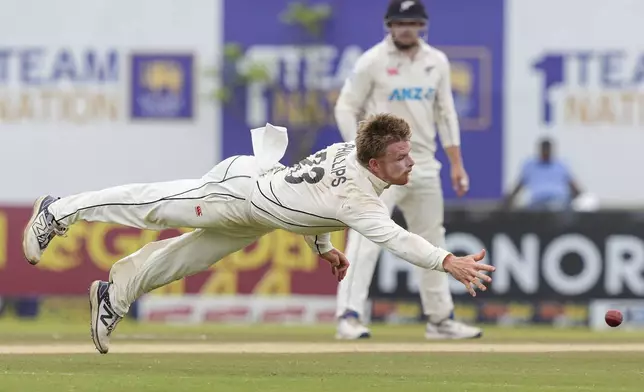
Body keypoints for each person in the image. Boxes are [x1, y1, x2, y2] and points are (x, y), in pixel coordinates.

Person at [22, 113, 494, 355]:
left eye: (409, 155)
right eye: (401, 158)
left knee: (185, 260)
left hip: (259, 215)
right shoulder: (362, 198)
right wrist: (447, 261)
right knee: (154, 206)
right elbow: (394, 238)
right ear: (375, 164)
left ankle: (113, 295)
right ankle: (58, 211)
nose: (410, 163)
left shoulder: (356, 157)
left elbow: (315, 200)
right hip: (239, 191)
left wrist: (324, 248)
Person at [333, 0, 480, 339]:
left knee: (433, 242)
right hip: (381, 170)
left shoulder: (437, 62)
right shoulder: (372, 61)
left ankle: (440, 320)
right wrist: (358, 151)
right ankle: (349, 316)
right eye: (400, 23)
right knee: (366, 238)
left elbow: (446, 114)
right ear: (389, 25)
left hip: (425, 164)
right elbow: (345, 106)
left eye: (413, 23)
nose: (406, 29)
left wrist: (457, 164)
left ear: (422, 26)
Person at [504, 138, 582, 210]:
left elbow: (573, 187)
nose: (546, 152)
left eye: (548, 150)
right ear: (540, 150)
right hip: (538, 202)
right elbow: (519, 185)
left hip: (559, 201)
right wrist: (508, 200)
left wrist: (581, 199)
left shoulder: (560, 165)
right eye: (544, 150)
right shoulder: (530, 166)